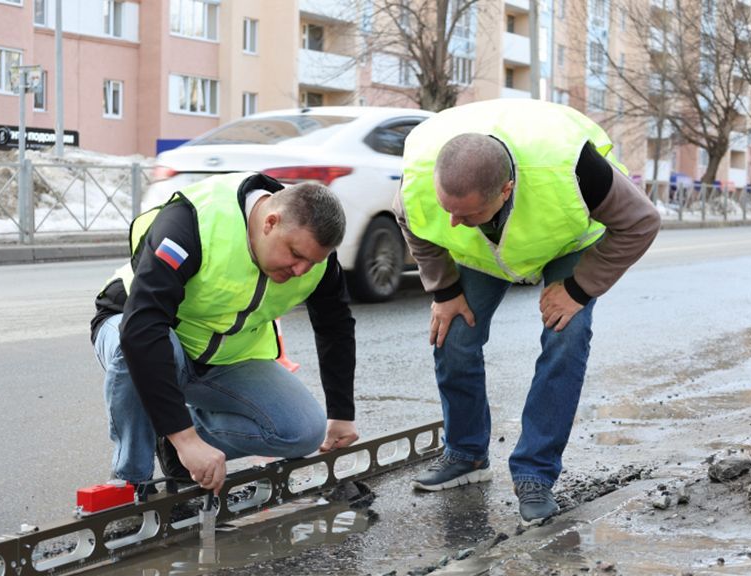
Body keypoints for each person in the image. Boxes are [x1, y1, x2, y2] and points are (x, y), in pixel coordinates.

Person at [394, 99, 660, 526]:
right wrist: (443, 290)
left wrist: (578, 289)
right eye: (450, 210)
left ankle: (535, 474)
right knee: (453, 332)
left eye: (468, 213)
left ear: (506, 189)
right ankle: (465, 453)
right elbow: (413, 222)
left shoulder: (573, 168)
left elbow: (642, 221)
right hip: (483, 255)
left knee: (566, 337)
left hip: (566, 242)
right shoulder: (423, 172)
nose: (455, 222)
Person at [91, 172, 358, 494]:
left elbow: (336, 325)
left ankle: (176, 452)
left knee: (302, 431)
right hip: (144, 333)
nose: (301, 270)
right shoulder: (193, 221)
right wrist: (185, 436)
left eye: (312, 262)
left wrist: (341, 413)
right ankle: (131, 480)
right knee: (130, 341)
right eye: (296, 255)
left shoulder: (316, 259)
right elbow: (142, 327)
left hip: (223, 358)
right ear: (270, 223)